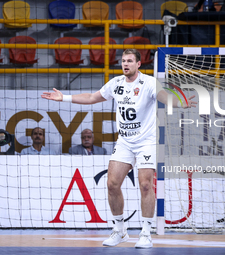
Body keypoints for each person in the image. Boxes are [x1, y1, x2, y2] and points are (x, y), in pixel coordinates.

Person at [42, 49, 196, 249]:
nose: (125, 64)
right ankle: (120, 230)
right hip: (124, 142)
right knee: (112, 184)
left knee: (145, 185)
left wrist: (179, 103)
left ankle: (146, 233)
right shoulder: (116, 84)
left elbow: (165, 97)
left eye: (130, 61)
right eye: (123, 61)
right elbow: (91, 97)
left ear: (138, 64)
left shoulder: (148, 83)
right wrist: (65, 98)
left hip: (146, 142)